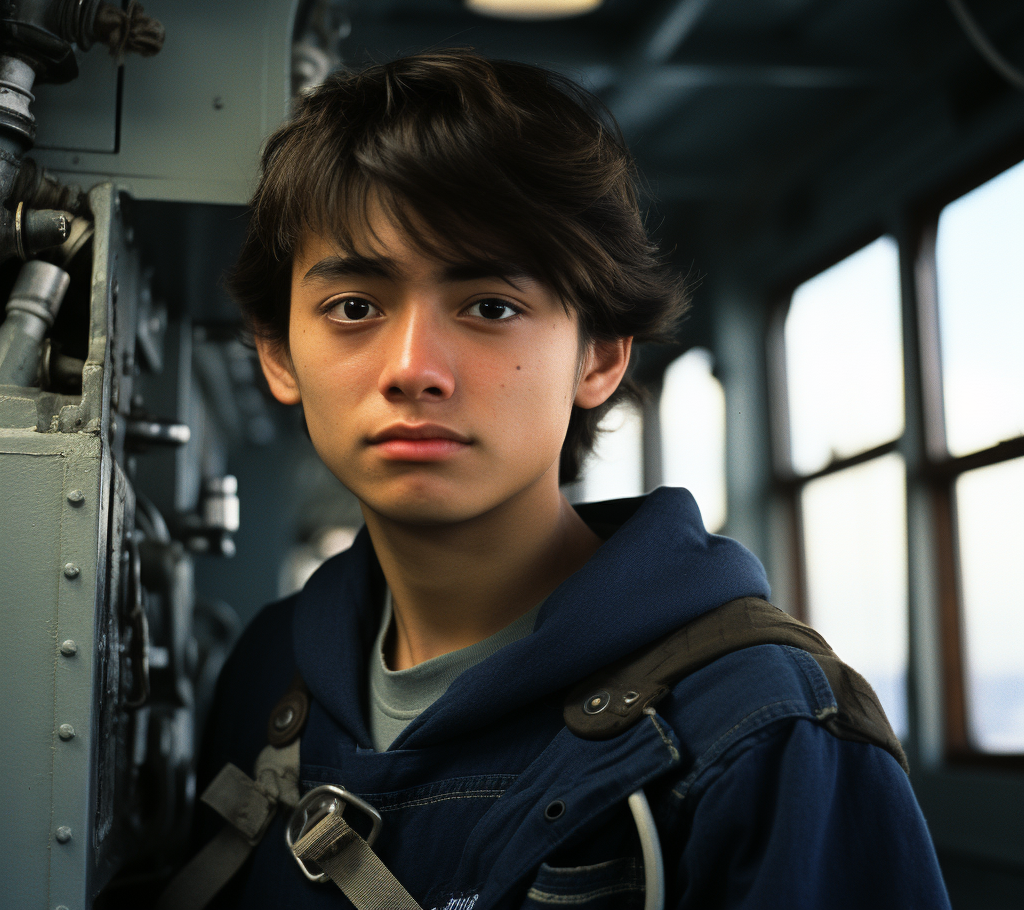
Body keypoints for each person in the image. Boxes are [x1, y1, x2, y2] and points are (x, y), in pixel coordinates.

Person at [175, 51, 951, 909]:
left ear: (601, 355)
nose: (412, 369)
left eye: (490, 306)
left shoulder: (764, 729)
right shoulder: (270, 676)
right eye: (354, 307)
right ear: (278, 353)